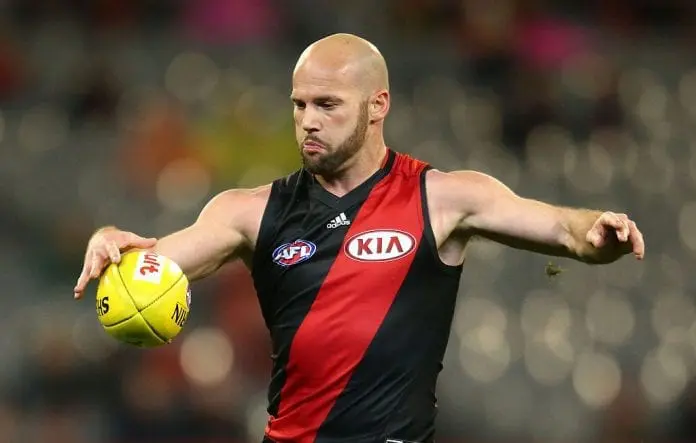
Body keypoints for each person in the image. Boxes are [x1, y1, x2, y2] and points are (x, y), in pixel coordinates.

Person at [73, 33, 645, 443]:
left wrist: (597, 230)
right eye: (299, 105)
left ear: (378, 106)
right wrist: (107, 240)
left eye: (327, 105)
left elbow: (563, 230)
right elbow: (154, 265)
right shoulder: (249, 211)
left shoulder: (443, 198)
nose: (308, 121)